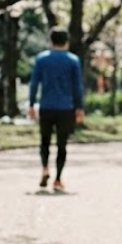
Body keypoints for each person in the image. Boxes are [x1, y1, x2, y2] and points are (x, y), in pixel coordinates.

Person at [28, 28, 85, 192]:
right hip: (66, 107)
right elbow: (77, 86)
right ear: (66, 41)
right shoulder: (73, 60)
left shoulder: (42, 59)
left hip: (46, 105)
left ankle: (45, 168)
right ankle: (58, 178)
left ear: (50, 41)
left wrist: (31, 104)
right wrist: (79, 107)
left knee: (44, 140)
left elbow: (34, 83)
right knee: (62, 144)